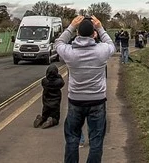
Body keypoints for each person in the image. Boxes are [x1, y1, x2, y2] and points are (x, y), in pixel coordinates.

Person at [56, 15, 115, 163]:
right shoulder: (101, 51)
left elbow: (58, 43)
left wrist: (71, 26)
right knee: (96, 141)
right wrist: (100, 27)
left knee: (72, 138)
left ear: (78, 34)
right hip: (97, 100)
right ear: (93, 34)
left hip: (76, 100)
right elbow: (111, 44)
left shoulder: (70, 52)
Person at [34, 64, 65, 129]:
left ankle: (42, 118)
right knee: (56, 119)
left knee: (45, 115)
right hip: (55, 104)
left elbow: (45, 79)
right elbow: (62, 82)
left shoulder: (44, 81)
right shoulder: (58, 82)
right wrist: (58, 75)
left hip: (46, 104)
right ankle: (51, 121)